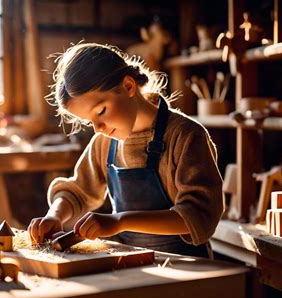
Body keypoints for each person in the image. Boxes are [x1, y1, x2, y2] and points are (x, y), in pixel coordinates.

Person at [28, 42, 223, 258]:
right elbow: (78, 190)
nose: (98, 128)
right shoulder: (104, 142)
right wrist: (54, 216)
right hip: (132, 262)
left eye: (101, 111)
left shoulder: (185, 136)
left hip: (189, 266)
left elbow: (198, 215)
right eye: (88, 121)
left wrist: (120, 221)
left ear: (129, 87)